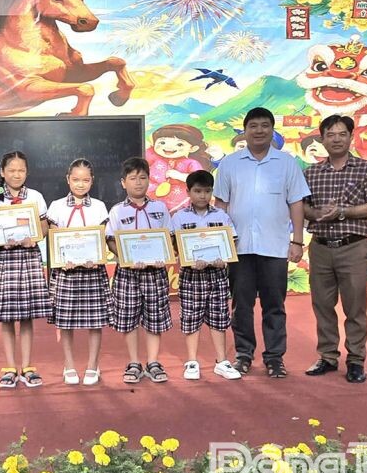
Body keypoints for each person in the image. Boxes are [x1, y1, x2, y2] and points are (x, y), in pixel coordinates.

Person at [215, 107, 311, 378]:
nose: (259, 131)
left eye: (265, 125)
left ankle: (274, 357)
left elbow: (296, 202)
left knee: (274, 305)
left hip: (274, 246)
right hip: (239, 248)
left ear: (272, 130)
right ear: (245, 131)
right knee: (241, 305)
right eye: (253, 126)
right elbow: (221, 205)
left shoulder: (286, 163)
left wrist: (297, 241)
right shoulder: (230, 164)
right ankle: (244, 355)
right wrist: (221, 244)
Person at [303, 115, 367, 384]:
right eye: (330, 134)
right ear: (322, 139)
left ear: (351, 137)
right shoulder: (311, 173)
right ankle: (327, 356)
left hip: (353, 247)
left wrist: (342, 212)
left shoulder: (366, 169)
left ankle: (356, 360)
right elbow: (303, 206)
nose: (336, 139)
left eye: (342, 134)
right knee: (322, 305)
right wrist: (316, 213)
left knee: (355, 306)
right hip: (320, 247)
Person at [0, 151, 51, 389]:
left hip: (28, 256)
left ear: (27, 172)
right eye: (11, 170)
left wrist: (35, 237)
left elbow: (44, 226)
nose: (16, 174)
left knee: (27, 315)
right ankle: (10, 367)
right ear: (2, 172)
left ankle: (28, 366)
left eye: (21, 170)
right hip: (4, 257)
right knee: (7, 316)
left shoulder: (35, 196)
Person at [169, 170, 242, 381]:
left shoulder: (221, 216)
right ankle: (192, 361)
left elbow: (231, 241)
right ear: (188, 192)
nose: (203, 196)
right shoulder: (179, 217)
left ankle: (222, 361)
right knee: (191, 317)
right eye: (198, 191)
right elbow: (175, 244)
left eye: (207, 191)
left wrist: (224, 258)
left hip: (217, 274)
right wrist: (189, 259)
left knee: (219, 317)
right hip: (191, 275)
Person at [45, 158, 112, 386]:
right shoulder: (56, 206)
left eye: (85, 180)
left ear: (92, 180)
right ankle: (69, 364)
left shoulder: (100, 206)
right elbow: (54, 237)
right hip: (66, 272)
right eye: (76, 179)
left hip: (93, 271)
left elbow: (100, 238)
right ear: (68, 179)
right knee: (65, 321)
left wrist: (95, 258)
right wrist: (62, 260)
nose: (80, 184)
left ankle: (93, 365)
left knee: (95, 320)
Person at [106, 157, 172, 385]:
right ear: (123, 182)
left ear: (149, 180)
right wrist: (126, 258)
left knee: (155, 317)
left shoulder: (160, 208)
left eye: (142, 177)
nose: (138, 182)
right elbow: (111, 240)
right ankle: (134, 362)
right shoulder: (116, 211)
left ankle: (153, 362)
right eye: (133, 178)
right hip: (128, 273)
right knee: (129, 318)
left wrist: (165, 255)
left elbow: (169, 237)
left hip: (155, 272)